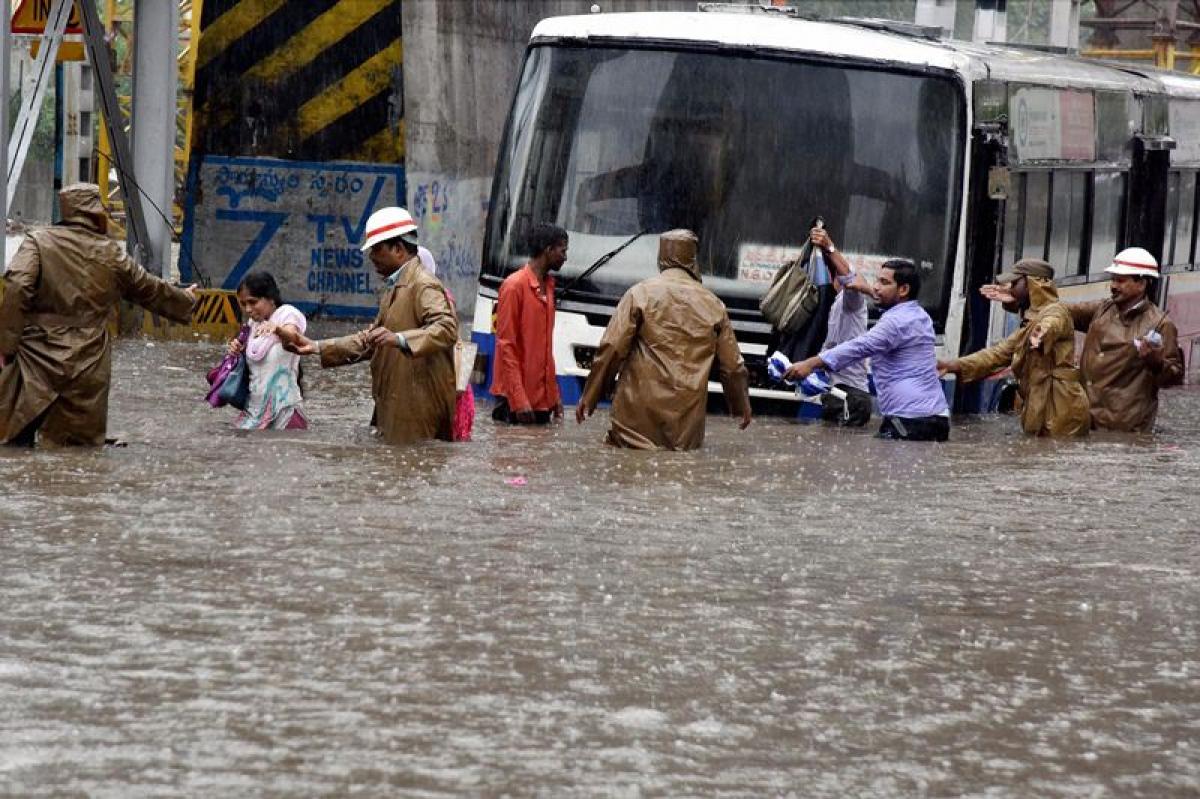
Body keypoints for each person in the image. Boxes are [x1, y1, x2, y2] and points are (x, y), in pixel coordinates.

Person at [0, 183, 197, 447]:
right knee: (75, 449)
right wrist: (186, 299)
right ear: (96, 209)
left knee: (12, 435)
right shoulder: (111, 253)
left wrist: (6, 346)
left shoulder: (39, 242)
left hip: (36, 352)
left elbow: (17, 286)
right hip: (89, 358)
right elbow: (148, 288)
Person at [292, 207, 458, 444]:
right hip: (395, 403)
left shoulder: (423, 284)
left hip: (416, 410)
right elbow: (370, 340)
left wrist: (399, 339)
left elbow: (446, 328)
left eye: (376, 249)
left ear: (399, 249)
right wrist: (316, 346)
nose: (371, 256)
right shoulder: (396, 287)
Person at [575, 229, 752, 449]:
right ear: (693, 259)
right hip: (685, 421)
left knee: (626, 473)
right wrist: (740, 405)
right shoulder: (714, 304)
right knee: (678, 473)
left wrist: (590, 395)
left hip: (635, 414)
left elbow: (612, 348)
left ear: (661, 259)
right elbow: (732, 366)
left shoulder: (640, 294)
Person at [784, 259, 949, 441]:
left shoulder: (894, 322)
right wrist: (868, 290)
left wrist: (810, 363)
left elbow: (859, 347)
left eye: (884, 283)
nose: (876, 287)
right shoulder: (920, 315)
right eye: (876, 281)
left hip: (910, 419)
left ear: (903, 290)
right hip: (937, 416)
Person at [938, 259, 1089, 437]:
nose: (1010, 288)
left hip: (1062, 407)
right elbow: (999, 353)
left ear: (1033, 284)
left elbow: (1052, 324)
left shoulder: (1055, 312)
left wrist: (1042, 333)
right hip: (1043, 403)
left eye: (1015, 283)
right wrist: (954, 365)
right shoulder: (1032, 319)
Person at [1066, 247, 1184, 432]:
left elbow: (1175, 377)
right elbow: (1061, 312)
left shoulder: (1161, 324)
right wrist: (1028, 298)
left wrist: (1156, 362)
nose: (1113, 286)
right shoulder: (1102, 309)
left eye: (1120, 280)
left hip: (1124, 430)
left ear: (1142, 284)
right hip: (1084, 421)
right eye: (1112, 279)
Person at [490, 222, 568, 424]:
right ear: (548, 249)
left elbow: (546, 349)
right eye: (562, 250)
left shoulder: (549, 287)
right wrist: (519, 400)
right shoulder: (513, 286)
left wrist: (554, 396)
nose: (565, 257)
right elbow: (506, 346)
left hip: (541, 399)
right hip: (515, 402)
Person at [806, 222, 874, 426]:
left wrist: (829, 247)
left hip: (850, 397)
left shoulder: (852, 302)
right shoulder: (827, 305)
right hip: (835, 393)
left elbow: (850, 278)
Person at [228, 271, 308, 430]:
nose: (248, 309)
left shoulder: (287, 314)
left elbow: (294, 338)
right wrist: (236, 350)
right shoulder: (252, 325)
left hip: (284, 413)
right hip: (254, 413)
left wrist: (277, 329)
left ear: (271, 298)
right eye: (243, 304)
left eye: (253, 302)